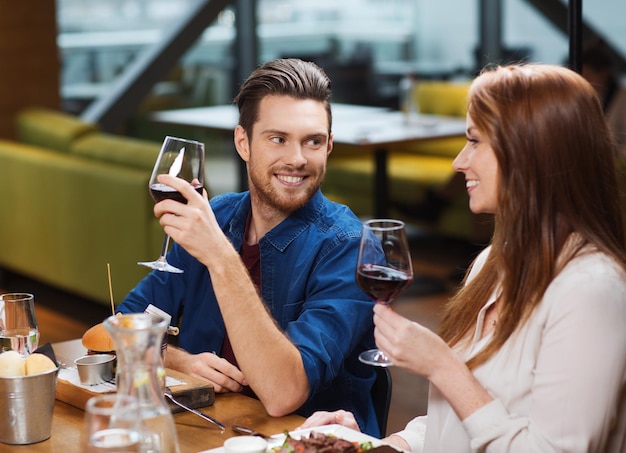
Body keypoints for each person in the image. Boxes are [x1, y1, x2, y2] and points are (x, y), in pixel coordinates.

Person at [300, 63, 626, 451]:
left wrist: (443, 365)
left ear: (527, 152)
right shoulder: (493, 263)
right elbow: (454, 423)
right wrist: (377, 446)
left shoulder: (591, 292)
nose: (459, 162)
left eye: (474, 141)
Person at [116, 58, 381, 436]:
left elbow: (283, 393)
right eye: (278, 139)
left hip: (297, 442)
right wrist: (177, 360)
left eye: (313, 141)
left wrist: (220, 256)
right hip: (205, 431)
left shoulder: (350, 247)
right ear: (243, 142)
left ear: (330, 146)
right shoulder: (217, 216)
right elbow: (118, 329)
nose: (297, 158)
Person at [581, 39, 626, 157]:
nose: (586, 81)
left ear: (604, 72)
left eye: (589, 76)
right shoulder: (583, 97)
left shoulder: (622, 98)